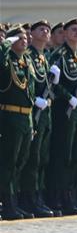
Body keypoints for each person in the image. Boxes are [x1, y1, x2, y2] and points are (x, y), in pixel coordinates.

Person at [48, 18, 77, 215]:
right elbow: (54, 83)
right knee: (63, 153)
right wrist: (68, 96)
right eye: (73, 29)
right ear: (65, 33)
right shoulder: (60, 55)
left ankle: (71, 195)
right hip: (64, 109)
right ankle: (58, 196)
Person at [19, 20, 58, 217]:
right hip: (34, 112)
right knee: (32, 158)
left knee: (43, 157)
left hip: (46, 114)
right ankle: (28, 198)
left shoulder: (45, 57)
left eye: (47, 29)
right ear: (31, 34)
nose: (45, 31)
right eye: (40, 29)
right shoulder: (28, 57)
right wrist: (36, 102)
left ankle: (38, 196)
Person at [0, 25, 36, 220]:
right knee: (9, 162)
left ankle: (13, 200)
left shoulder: (26, 61)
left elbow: (30, 91)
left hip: (26, 117)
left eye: (25, 38)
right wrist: (7, 42)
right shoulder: (7, 61)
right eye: (19, 38)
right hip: (11, 116)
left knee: (21, 161)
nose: (24, 40)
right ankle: (7, 204)